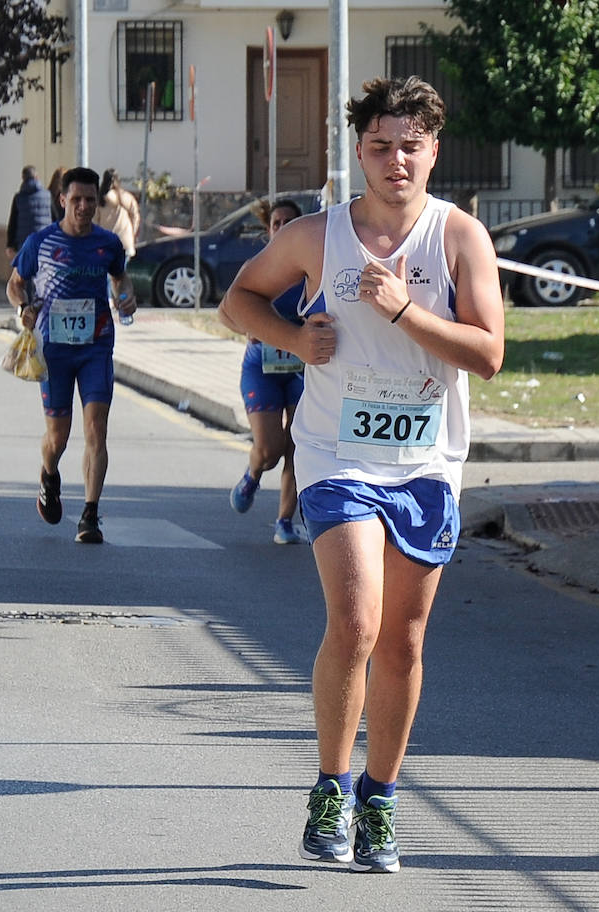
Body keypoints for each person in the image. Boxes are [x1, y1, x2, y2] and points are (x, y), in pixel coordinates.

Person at [218, 76, 504, 874]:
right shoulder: (318, 236)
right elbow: (237, 300)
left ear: (434, 150)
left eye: (410, 146)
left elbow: (488, 353)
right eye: (380, 146)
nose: (395, 161)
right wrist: (291, 338)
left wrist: (404, 311)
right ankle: (331, 787)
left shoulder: (459, 238)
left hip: (426, 462)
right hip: (336, 453)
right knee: (357, 622)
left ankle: (380, 800)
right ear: (359, 151)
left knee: (404, 641)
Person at [6, 166, 138, 544]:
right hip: (55, 351)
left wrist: (126, 296)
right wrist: (23, 307)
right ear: (62, 200)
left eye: (90, 200)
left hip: (96, 346)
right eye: (76, 199)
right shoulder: (40, 242)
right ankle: (49, 473)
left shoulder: (108, 244)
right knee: (58, 438)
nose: (83, 206)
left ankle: (90, 515)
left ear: (97, 203)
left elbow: (120, 278)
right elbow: (16, 284)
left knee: (96, 428)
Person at [218, 198, 307, 544]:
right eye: (276, 223)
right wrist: (248, 328)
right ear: (268, 230)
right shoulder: (256, 268)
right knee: (270, 448)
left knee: (298, 447)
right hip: (262, 366)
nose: (282, 228)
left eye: (289, 222)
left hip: (302, 369)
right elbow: (225, 312)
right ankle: (253, 473)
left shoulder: (313, 269)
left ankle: (284, 521)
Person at [5, 165, 52, 261]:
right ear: (37, 177)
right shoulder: (47, 195)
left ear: (23, 178)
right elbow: (55, 217)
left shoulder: (18, 198)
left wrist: (10, 244)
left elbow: (13, 223)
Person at [94, 168, 141, 262]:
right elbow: (135, 217)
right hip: (125, 242)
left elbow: (95, 222)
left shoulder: (99, 200)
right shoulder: (127, 197)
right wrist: (132, 233)